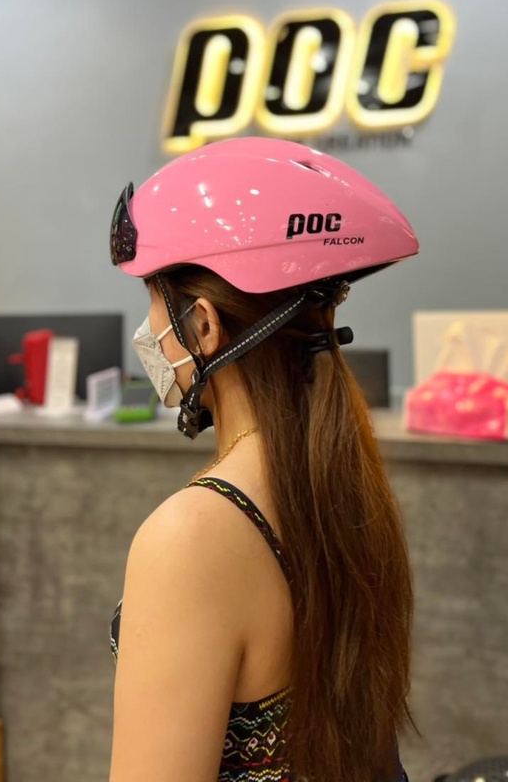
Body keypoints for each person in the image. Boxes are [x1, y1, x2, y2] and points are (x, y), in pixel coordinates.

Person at [107, 137, 419, 782]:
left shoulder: (191, 538)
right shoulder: (338, 478)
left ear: (202, 326)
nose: (148, 334)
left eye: (153, 304)